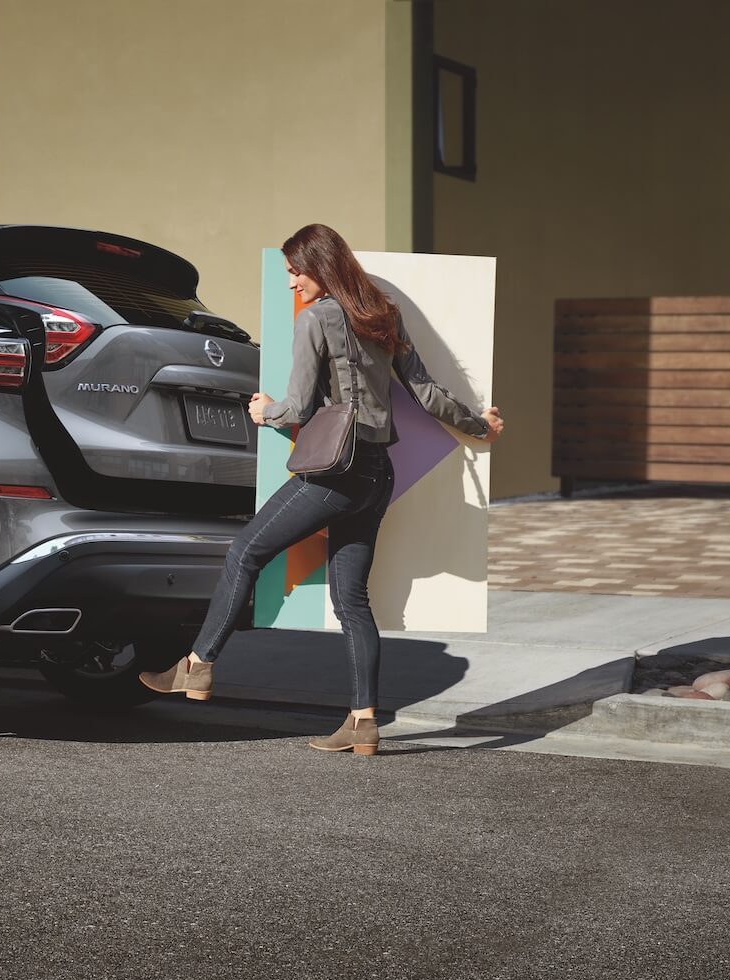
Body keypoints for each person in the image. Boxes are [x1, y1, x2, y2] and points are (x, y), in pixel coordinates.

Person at [140, 223, 504, 755]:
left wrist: (267, 412)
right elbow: (425, 392)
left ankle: (197, 665)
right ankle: (362, 722)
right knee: (352, 600)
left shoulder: (314, 320)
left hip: (335, 472)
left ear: (320, 266)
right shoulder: (383, 315)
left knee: (244, 552)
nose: (292, 283)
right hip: (378, 474)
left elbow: (301, 406)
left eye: (296, 272)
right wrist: (478, 426)